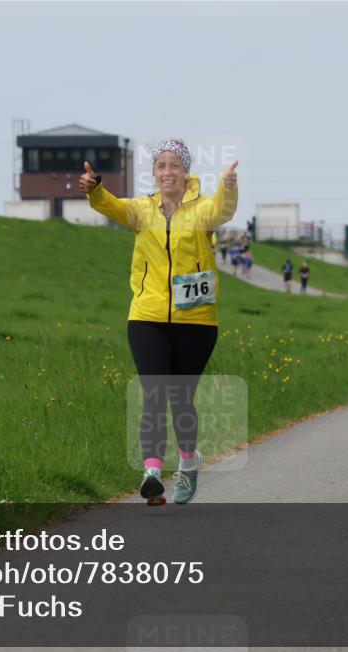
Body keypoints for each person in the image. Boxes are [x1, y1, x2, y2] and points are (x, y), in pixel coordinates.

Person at [80, 139, 238, 505]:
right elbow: (112, 206)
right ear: (154, 173)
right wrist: (96, 190)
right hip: (147, 315)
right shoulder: (141, 211)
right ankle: (151, 471)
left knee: (181, 398)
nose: (168, 172)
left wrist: (229, 188)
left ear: (186, 172)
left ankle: (188, 463)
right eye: (161, 166)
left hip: (196, 319)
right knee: (154, 393)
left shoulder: (201, 211)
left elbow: (222, 210)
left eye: (174, 165)